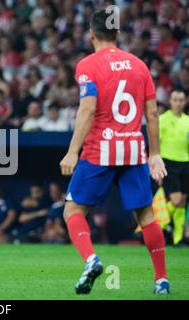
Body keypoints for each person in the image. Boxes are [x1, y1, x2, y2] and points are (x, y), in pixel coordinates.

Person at [60, 9, 169, 295]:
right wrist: (155, 154)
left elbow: (88, 107)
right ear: (118, 35)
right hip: (134, 150)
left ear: (92, 35)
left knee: (73, 210)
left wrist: (73, 151)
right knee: (146, 216)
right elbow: (153, 113)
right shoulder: (139, 65)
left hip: (99, 149)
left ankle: (92, 260)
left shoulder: (88, 65)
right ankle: (161, 280)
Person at [159, 90, 189, 245]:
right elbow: (156, 143)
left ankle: (178, 239)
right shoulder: (162, 120)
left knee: (183, 201)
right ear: (170, 102)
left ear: (185, 102)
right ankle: (157, 224)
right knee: (176, 200)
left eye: (181, 100)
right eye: (175, 100)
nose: (178, 103)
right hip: (169, 162)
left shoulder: (187, 121)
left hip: (186, 162)